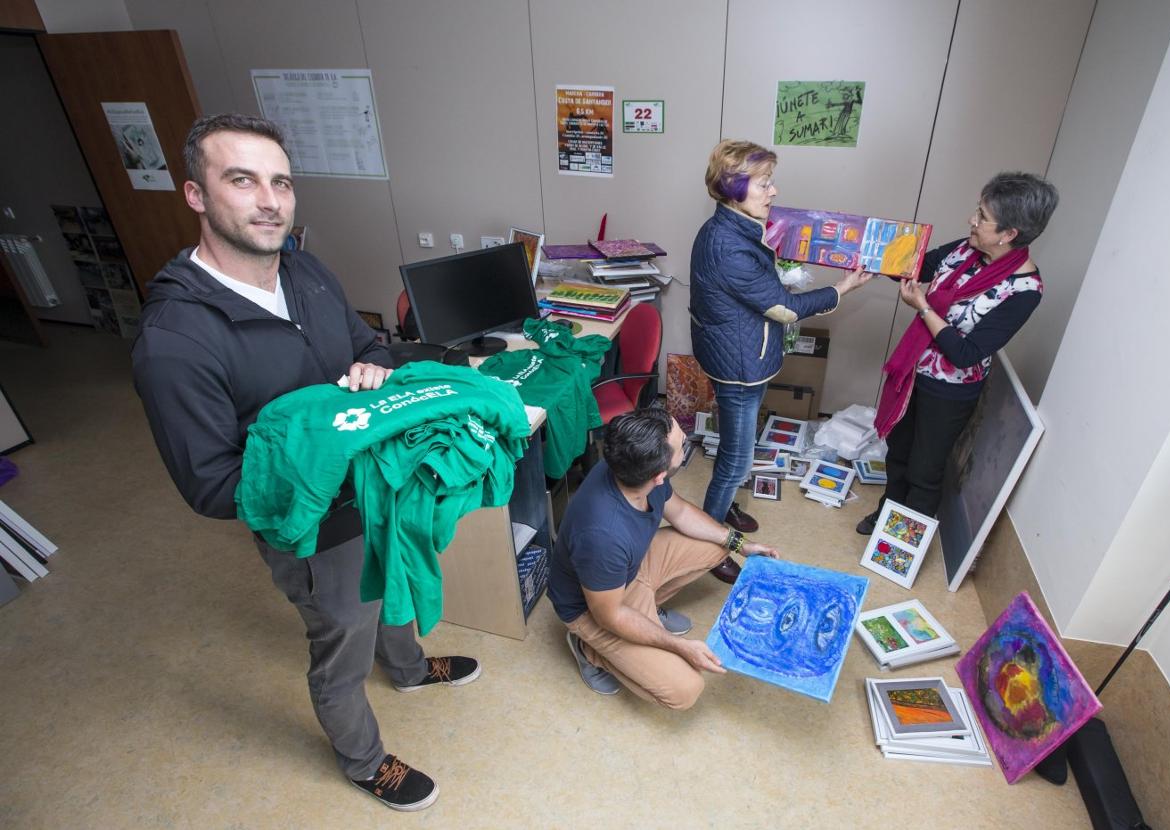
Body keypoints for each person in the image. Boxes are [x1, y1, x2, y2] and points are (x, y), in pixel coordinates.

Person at [131, 113, 478, 813]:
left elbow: (369, 345)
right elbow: (211, 485)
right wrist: (327, 459)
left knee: (395, 583)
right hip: (316, 531)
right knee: (342, 638)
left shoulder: (305, 268)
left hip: (382, 491)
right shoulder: (174, 341)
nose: (270, 200)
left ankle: (408, 668)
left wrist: (376, 369)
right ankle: (362, 759)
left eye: (281, 182)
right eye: (241, 179)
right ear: (196, 194)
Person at [690, 139, 871, 582]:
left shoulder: (730, 227)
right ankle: (709, 546)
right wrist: (841, 289)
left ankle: (723, 505)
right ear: (734, 188)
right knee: (737, 457)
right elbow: (783, 309)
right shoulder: (729, 245)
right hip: (738, 363)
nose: (773, 191)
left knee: (736, 447)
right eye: (765, 183)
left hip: (737, 351)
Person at [857, 172, 1059, 533]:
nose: (973, 220)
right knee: (899, 450)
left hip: (950, 390)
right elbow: (915, 265)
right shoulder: (965, 250)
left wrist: (924, 308)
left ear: (1009, 234)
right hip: (913, 373)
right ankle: (886, 512)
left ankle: (901, 541)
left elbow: (966, 353)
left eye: (982, 217)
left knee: (925, 469)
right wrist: (872, 252)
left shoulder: (1025, 289)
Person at [547, 407, 780, 707]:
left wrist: (740, 544)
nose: (686, 443)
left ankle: (649, 610)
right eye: (683, 443)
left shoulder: (633, 462)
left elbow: (680, 511)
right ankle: (588, 649)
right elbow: (610, 615)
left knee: (718, 543)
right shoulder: (601, 535)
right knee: (685, 690)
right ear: (659, 476)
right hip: (598, 608)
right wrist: (679, 646)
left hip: (628, 567)